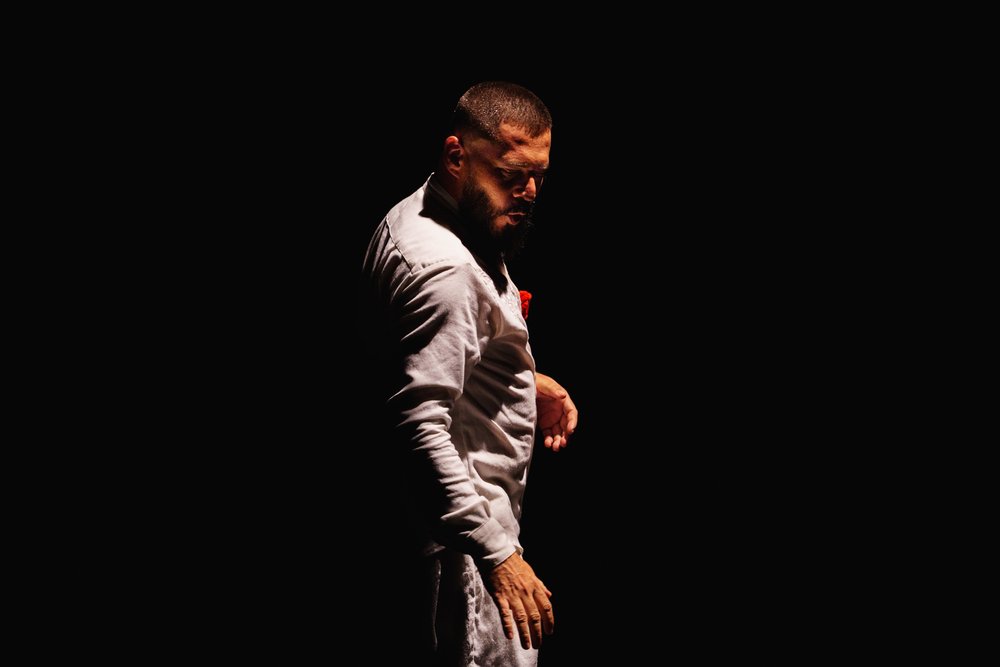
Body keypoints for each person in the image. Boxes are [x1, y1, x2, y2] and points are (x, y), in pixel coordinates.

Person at [359, 81, 578, 665]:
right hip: (462, 561)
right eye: (510, 174)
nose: (528, 192)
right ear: (456, 155)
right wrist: (498, 555)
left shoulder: (426, 214)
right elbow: (417, 423)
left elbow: (408, 360)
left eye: (539, 176)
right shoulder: (446, 267)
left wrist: (523, 384)